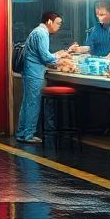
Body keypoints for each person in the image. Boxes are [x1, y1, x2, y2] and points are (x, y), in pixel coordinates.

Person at [15, 11, 78, 144]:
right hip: (35, 73)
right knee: (33, 104)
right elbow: (46, 57)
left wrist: (60, 54)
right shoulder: (42, 33)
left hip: (30, 72)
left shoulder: (36, 32)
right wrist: (60, 56)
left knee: (27, 104)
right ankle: (28, 135)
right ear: (49, 21)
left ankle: (21, 133)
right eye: (58, 23)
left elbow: (42, 55)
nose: (59, 26)